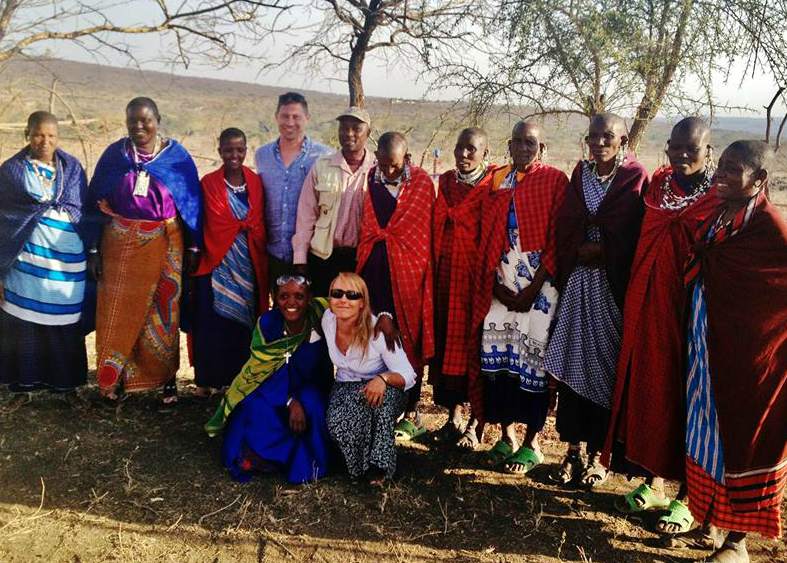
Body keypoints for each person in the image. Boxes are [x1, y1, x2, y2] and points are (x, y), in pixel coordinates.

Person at [603, 117, 717, 534]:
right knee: (652, 394)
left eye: (694, 149)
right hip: (649, 312)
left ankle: (688, 499)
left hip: (692, 318)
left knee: (688, 401)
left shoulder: (718, 197)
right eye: (677, 147)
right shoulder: (658, 187)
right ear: (666, 147)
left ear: (709, 152)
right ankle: (654, 483)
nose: (684, 155)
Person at [682, 140, 786, 562]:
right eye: (720, 166)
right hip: (706, 346)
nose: (721, 174)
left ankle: (737, 542)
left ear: (758, 179)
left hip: (750, 358)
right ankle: (707, 516)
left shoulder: (771, 229)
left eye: (733, 169)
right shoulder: (719, 212)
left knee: (744, 438)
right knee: (706, 433)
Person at [544, 113, 647, 488]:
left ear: (622, 140)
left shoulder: (634, 177)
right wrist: (579, 248)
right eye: (594, 137)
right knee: (572, 363)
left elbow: (632, 230)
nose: (600, 143)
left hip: (610, 287)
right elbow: (567, 221)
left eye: (608, 137)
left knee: (605, 368)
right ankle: (571, 452)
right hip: (578, 284)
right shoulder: (580, 174)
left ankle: (597, 458)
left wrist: (601, 250)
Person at [87, 97, 202, 403]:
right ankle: (117, 378)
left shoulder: (176, 157)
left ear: (158, 119)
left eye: (146, 120)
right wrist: (93, 251)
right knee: (120, 313)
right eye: (133, 121)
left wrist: (193, 245)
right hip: (119, 246)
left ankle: (165, 380)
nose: (139, 126)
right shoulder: (115, 156)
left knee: (162, 312)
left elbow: (190, 204)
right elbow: (94, 202)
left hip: (166, 245)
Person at [471, 121, 568, 472]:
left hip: (539, 287)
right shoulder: (497, 179)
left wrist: (532, 287)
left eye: (532, 143)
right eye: (519, 143)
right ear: (509, 145)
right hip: (500, 284)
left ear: (541, 148)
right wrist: (496, 285)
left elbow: (559, 237)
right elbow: (487, 233)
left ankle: (532, 442)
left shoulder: (555, 180)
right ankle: (506, 434)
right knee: (498, 359)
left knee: (532, 360)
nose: (525, 149)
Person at [207, 275, 334, 484]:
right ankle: (265, 457)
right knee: (254, 407)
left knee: (314, 404)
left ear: (309, 298)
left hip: (308, 385)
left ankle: (315, 463)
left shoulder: (321, 313)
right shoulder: (268, 324)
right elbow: (262, 371)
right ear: (275, 298)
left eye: (299, 296)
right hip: (269, 386)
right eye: (284, 296)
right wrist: (289, 401)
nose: (291, 303)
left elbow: (357, 311)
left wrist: (385, 318)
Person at [0, 111, 89, 400]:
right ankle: (25, 383)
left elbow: (80, 210)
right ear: (27, 134)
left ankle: (64, 383)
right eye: (38, 134)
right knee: (24, 320)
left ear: (58, 137)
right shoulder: (11, 171)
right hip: (25, 259)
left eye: (51, 135)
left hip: (66, 260)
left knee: (63, 319)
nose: (44, 141)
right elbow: (5, 219)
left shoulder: (72, 168)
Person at [356, 132, 435, 441]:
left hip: (409, 279)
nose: (388, 171)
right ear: (376, 155)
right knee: (374, 339)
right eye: (383, 164)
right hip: (373, 276)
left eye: (394, 165)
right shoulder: (370, 182)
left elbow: (422, 235)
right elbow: (368, 228)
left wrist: (403, 260)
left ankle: (410, 410)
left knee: (406, 339)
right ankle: (375, 406)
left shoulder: (422, 184)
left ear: (407, 158)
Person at [188, 128, 268, 396]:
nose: (235, 155)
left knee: (242, 323)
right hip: (217, 261)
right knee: (212, 323)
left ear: (246, 150)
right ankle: (207, 380)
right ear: (219, 150)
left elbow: (259, 221)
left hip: (248, 261)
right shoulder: (209, 183)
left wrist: (247, 230)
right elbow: (203, 222)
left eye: (240, 149)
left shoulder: (256, 183)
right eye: (229, 150)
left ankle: (235, 379)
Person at [431, 127, 496, 447]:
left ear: (485, 152)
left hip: (476, 282)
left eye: (471, 149)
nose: (464, 155)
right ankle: (452, 418)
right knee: (446, 347)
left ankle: (475, 423)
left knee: (476, 347)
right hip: (445, 278)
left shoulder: (491, 186)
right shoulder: (445, 182)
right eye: (459, 148)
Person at [324, 272, 417, 485]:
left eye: (352, 295)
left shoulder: (378, 331)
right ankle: (358, 466)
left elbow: (408, 375)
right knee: (337, 421)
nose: (343, 300)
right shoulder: (327, 320)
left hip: (387, 386)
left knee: (379, 404)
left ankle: (381, 467)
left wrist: (382, 379)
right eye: (337, 293)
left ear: (362, 302)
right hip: (346, 385)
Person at [292, 107, 375, 296]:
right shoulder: (322, 166)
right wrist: (300, 260)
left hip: (361, 259)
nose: (349, 133)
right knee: (323, 314)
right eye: (344, 128)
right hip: (324, 258)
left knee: (357, 317)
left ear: (368, 133)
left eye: (356, 128)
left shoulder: (377, 169)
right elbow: (306, 216)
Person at [256, 92, 330, 291]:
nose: (290, 122)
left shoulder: (323, 156)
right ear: (276, 117)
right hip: (273, 253)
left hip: (310, 254)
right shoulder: (262, 155)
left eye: (296, 117)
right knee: (279, 313)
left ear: (307, 119)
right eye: (285, 116)